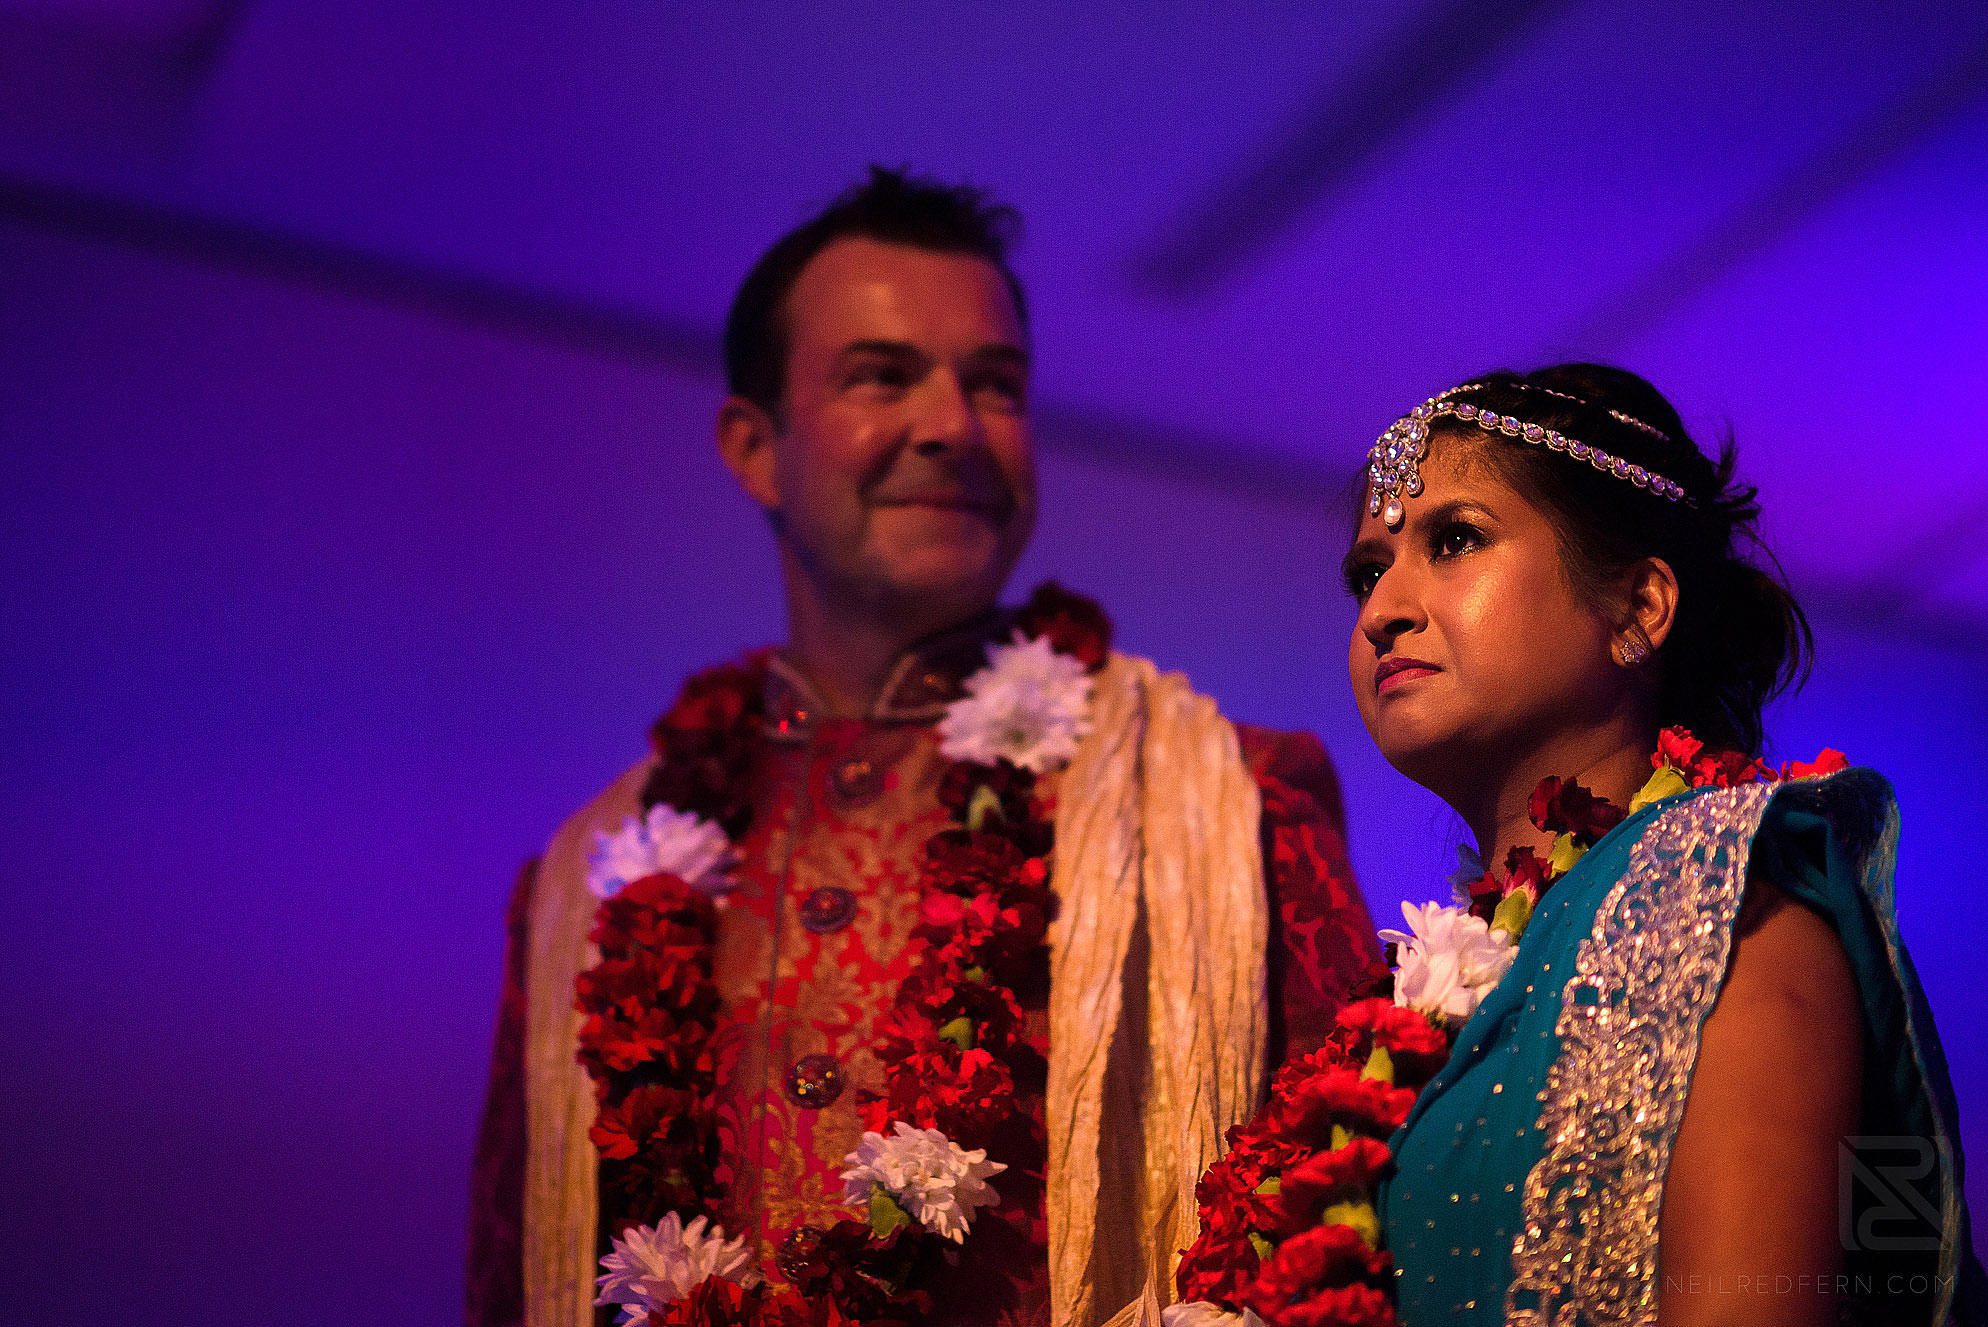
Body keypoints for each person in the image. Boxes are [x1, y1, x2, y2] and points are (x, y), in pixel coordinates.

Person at [464, 167, 1382, 1327]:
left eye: (995, 385)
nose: (952, 428)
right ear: (754, 447)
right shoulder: (583, 881)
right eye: (880, 375)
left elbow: (1342, 1236)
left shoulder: (1238, 797)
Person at [1339, 364, 1985, 1325]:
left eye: (1456, 539)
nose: (1381, 610)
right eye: (1368, 572)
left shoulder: (1732, 896)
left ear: (1639, 608)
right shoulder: (1419, 1004)